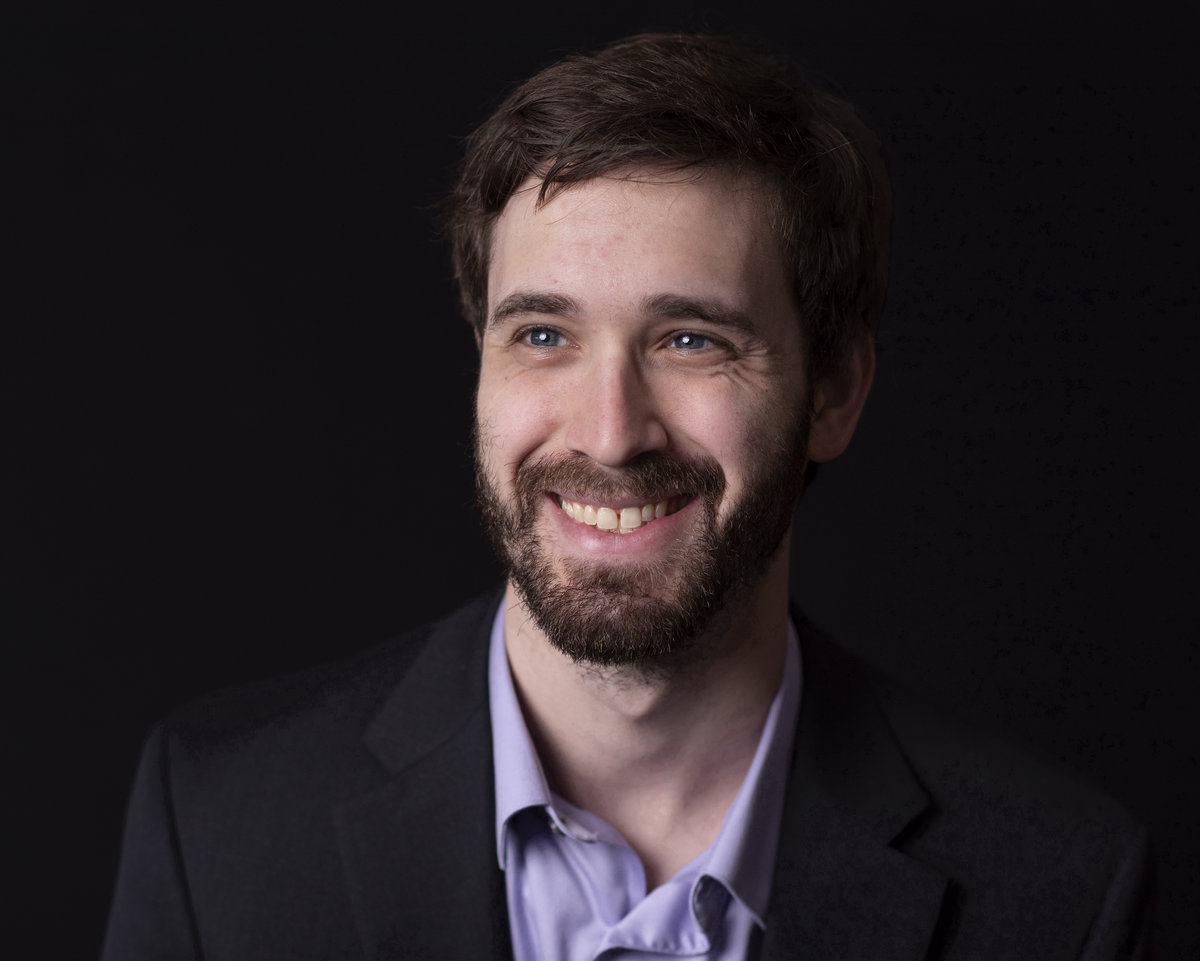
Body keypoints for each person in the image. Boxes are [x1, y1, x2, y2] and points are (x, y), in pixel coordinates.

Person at [101, 32, 1152, 960]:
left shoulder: (1062, 892)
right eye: (542, 335)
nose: (610, 434)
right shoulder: (220, 826)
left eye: (691, 339)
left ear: (833, 394)